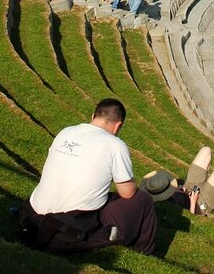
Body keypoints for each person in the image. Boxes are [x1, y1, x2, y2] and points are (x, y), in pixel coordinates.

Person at [18, 98, 157, 254]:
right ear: (118, 125)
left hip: (33, 213)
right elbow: (127, 192)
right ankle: (144, 251)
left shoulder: (66, 131)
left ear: (93, 116)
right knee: (143, 200)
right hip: (69, 224)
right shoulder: (115, 145)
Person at [139, 146, 214, 215]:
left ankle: (207, 183)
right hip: (200, 203)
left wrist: (181, 189)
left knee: (205, 150)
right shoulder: (166, 208)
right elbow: (190, 216)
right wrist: (194, 201)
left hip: (188, 188)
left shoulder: (157, 193)